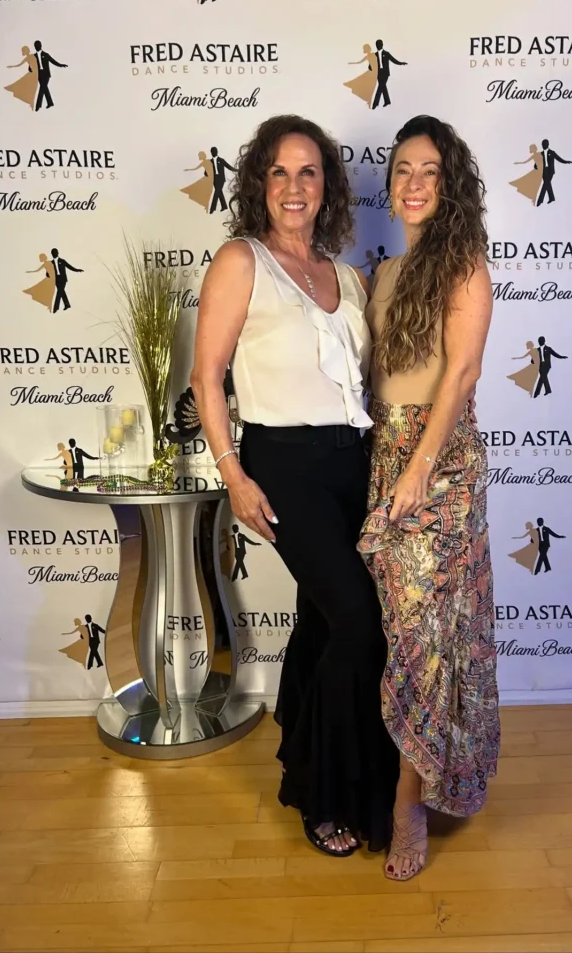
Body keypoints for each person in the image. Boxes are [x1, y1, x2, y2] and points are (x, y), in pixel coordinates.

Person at [191, 114, 399, 857]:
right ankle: (330, 794)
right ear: (259, 182)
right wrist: (232, 473)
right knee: (358, 622)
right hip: (284, 466)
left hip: (354, 465)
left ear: (327, 187)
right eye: (279, 171)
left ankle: (306, 765)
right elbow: (206, 377)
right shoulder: (241, 261)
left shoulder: (346, 274)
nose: (294, 186)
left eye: (308, 171)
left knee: (321, 622)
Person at [357, 115, 500, 881]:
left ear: (450, 187)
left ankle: (412, 801)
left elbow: (463, 374)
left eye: (430, 172)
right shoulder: (382, 273)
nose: (413, 184)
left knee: (427, 638)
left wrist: (416, 473)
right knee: (398, 631)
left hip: (437, 468)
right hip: (384, 455)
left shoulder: (464, 262)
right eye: (403, 170)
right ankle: (402, 776)